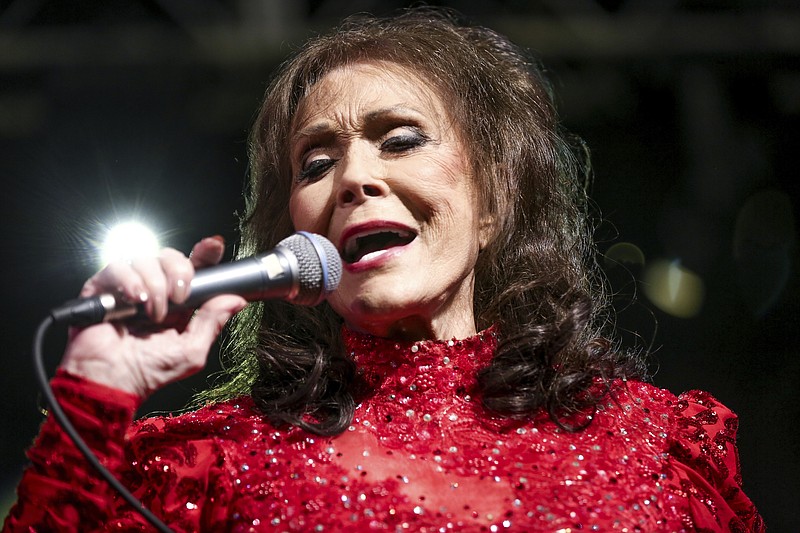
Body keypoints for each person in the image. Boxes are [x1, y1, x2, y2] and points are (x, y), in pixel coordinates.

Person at [3, 8, 763, 532]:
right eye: (318, 161)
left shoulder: (655, 446)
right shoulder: (213, 465)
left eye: (400, 139)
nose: (354, 178)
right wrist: (100, 384)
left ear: (494, 198)